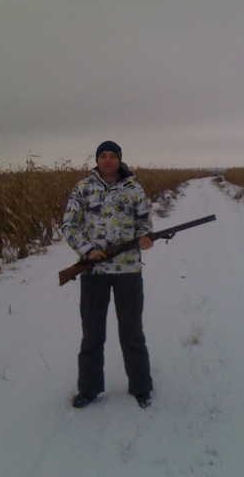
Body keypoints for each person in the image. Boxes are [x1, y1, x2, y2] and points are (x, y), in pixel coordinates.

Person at [62, 141, 154, 409]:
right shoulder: (83, 188)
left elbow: (144, 222)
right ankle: (88, 389)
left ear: (119, 159)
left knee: (132, 331)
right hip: (94, 271)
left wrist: (145, 237)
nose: (108, 160)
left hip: (128, 270)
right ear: (97, 160)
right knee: (92, 333)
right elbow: (69, 225)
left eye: (113, 156)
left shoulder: (134, 188)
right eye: (103, 156)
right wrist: (87, 250)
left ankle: (141, 387)